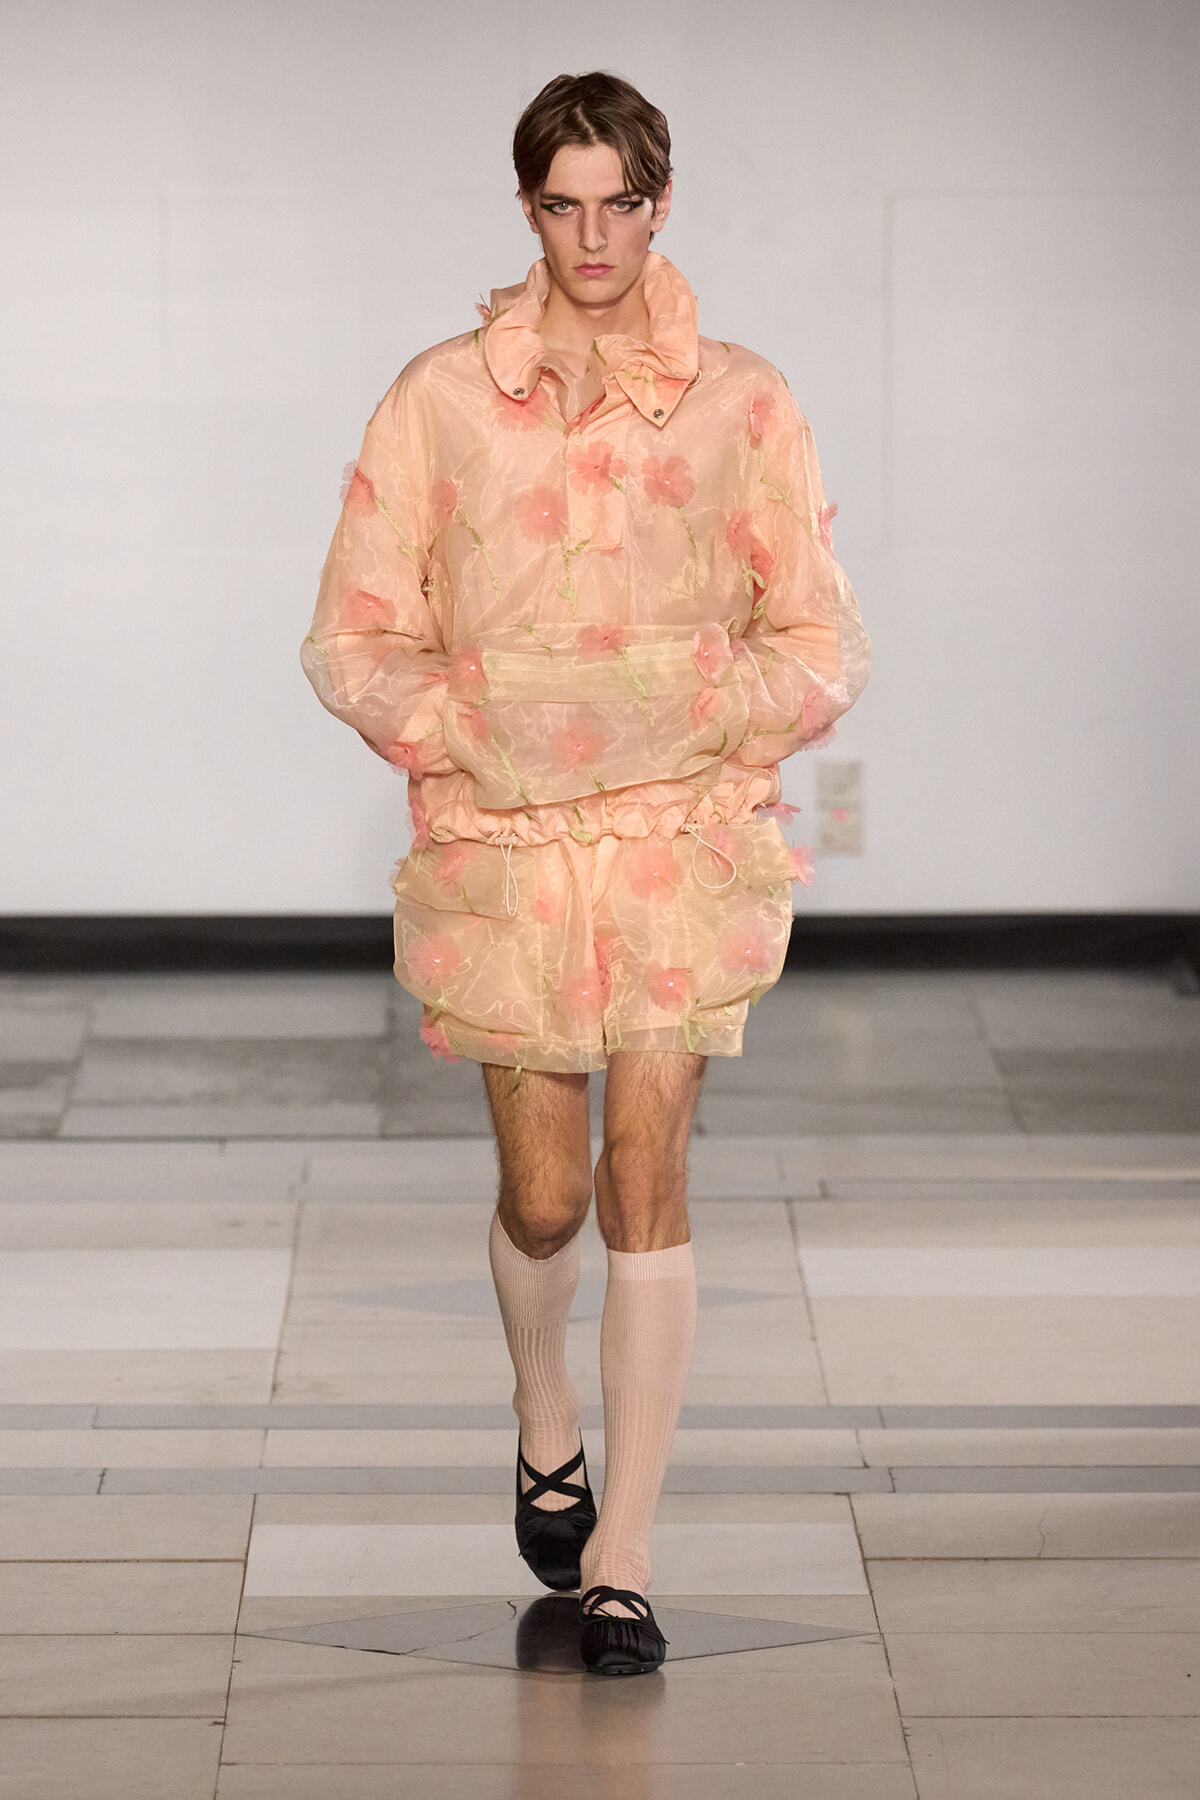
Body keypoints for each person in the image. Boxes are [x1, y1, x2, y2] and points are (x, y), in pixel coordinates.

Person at [301, 70, 869, 1675]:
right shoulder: (440, 401)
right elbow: (349, 636)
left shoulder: (742, 400)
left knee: (647, 1184)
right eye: (565, 202)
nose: (596, 234)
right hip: (508, 849)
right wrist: (467, 727)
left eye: (623, 202)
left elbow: (824, 636)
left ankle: (620, 1552)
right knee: (547, 1199)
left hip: (677, 842)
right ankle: (541, 1407)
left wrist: (702, 710)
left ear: (662, 205)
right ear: (529, 207)